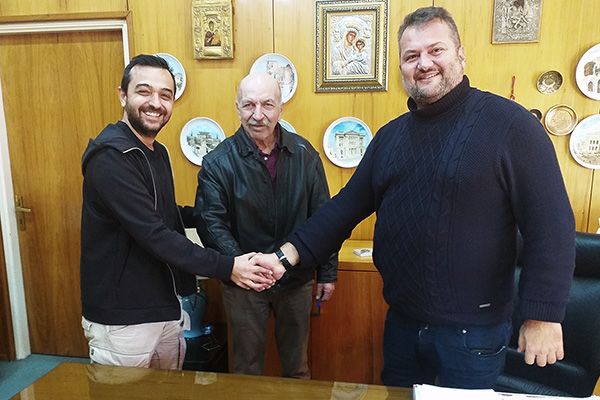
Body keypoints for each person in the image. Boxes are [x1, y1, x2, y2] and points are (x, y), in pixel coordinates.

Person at [254, 6, 575, 389]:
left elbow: (551, 227)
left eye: (436, 50)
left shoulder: (511, 125)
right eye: (411, 56)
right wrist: (283, 258)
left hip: (473, 335)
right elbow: (343, 209)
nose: (424, 63)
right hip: (402, 325)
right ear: (402, 67)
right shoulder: (390, 137)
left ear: (460, 55)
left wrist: (543, 316)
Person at [80, 54, 274, 370]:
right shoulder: (111, 157)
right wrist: (228, 267)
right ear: (123, 95)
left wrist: (215, 213)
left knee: (168, 390)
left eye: (165, 95)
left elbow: (166, 214)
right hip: (124, 319)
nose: (155, 103)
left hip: (165, 307)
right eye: (144, 91)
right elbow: (155, 234)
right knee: (123, 393)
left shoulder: (156, 152)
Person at [194, 72, 337, 379]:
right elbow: (211, 223)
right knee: (246, 370)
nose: (257, 115)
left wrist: (327, 272)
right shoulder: (217, 162)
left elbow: (323, 218)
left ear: (281, 108)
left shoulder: (305, 155)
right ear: (237, 107)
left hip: (296, 279)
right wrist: (244, 266)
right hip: (243, 282)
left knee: (298, 368)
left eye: (267, 105)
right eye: (249, 105)